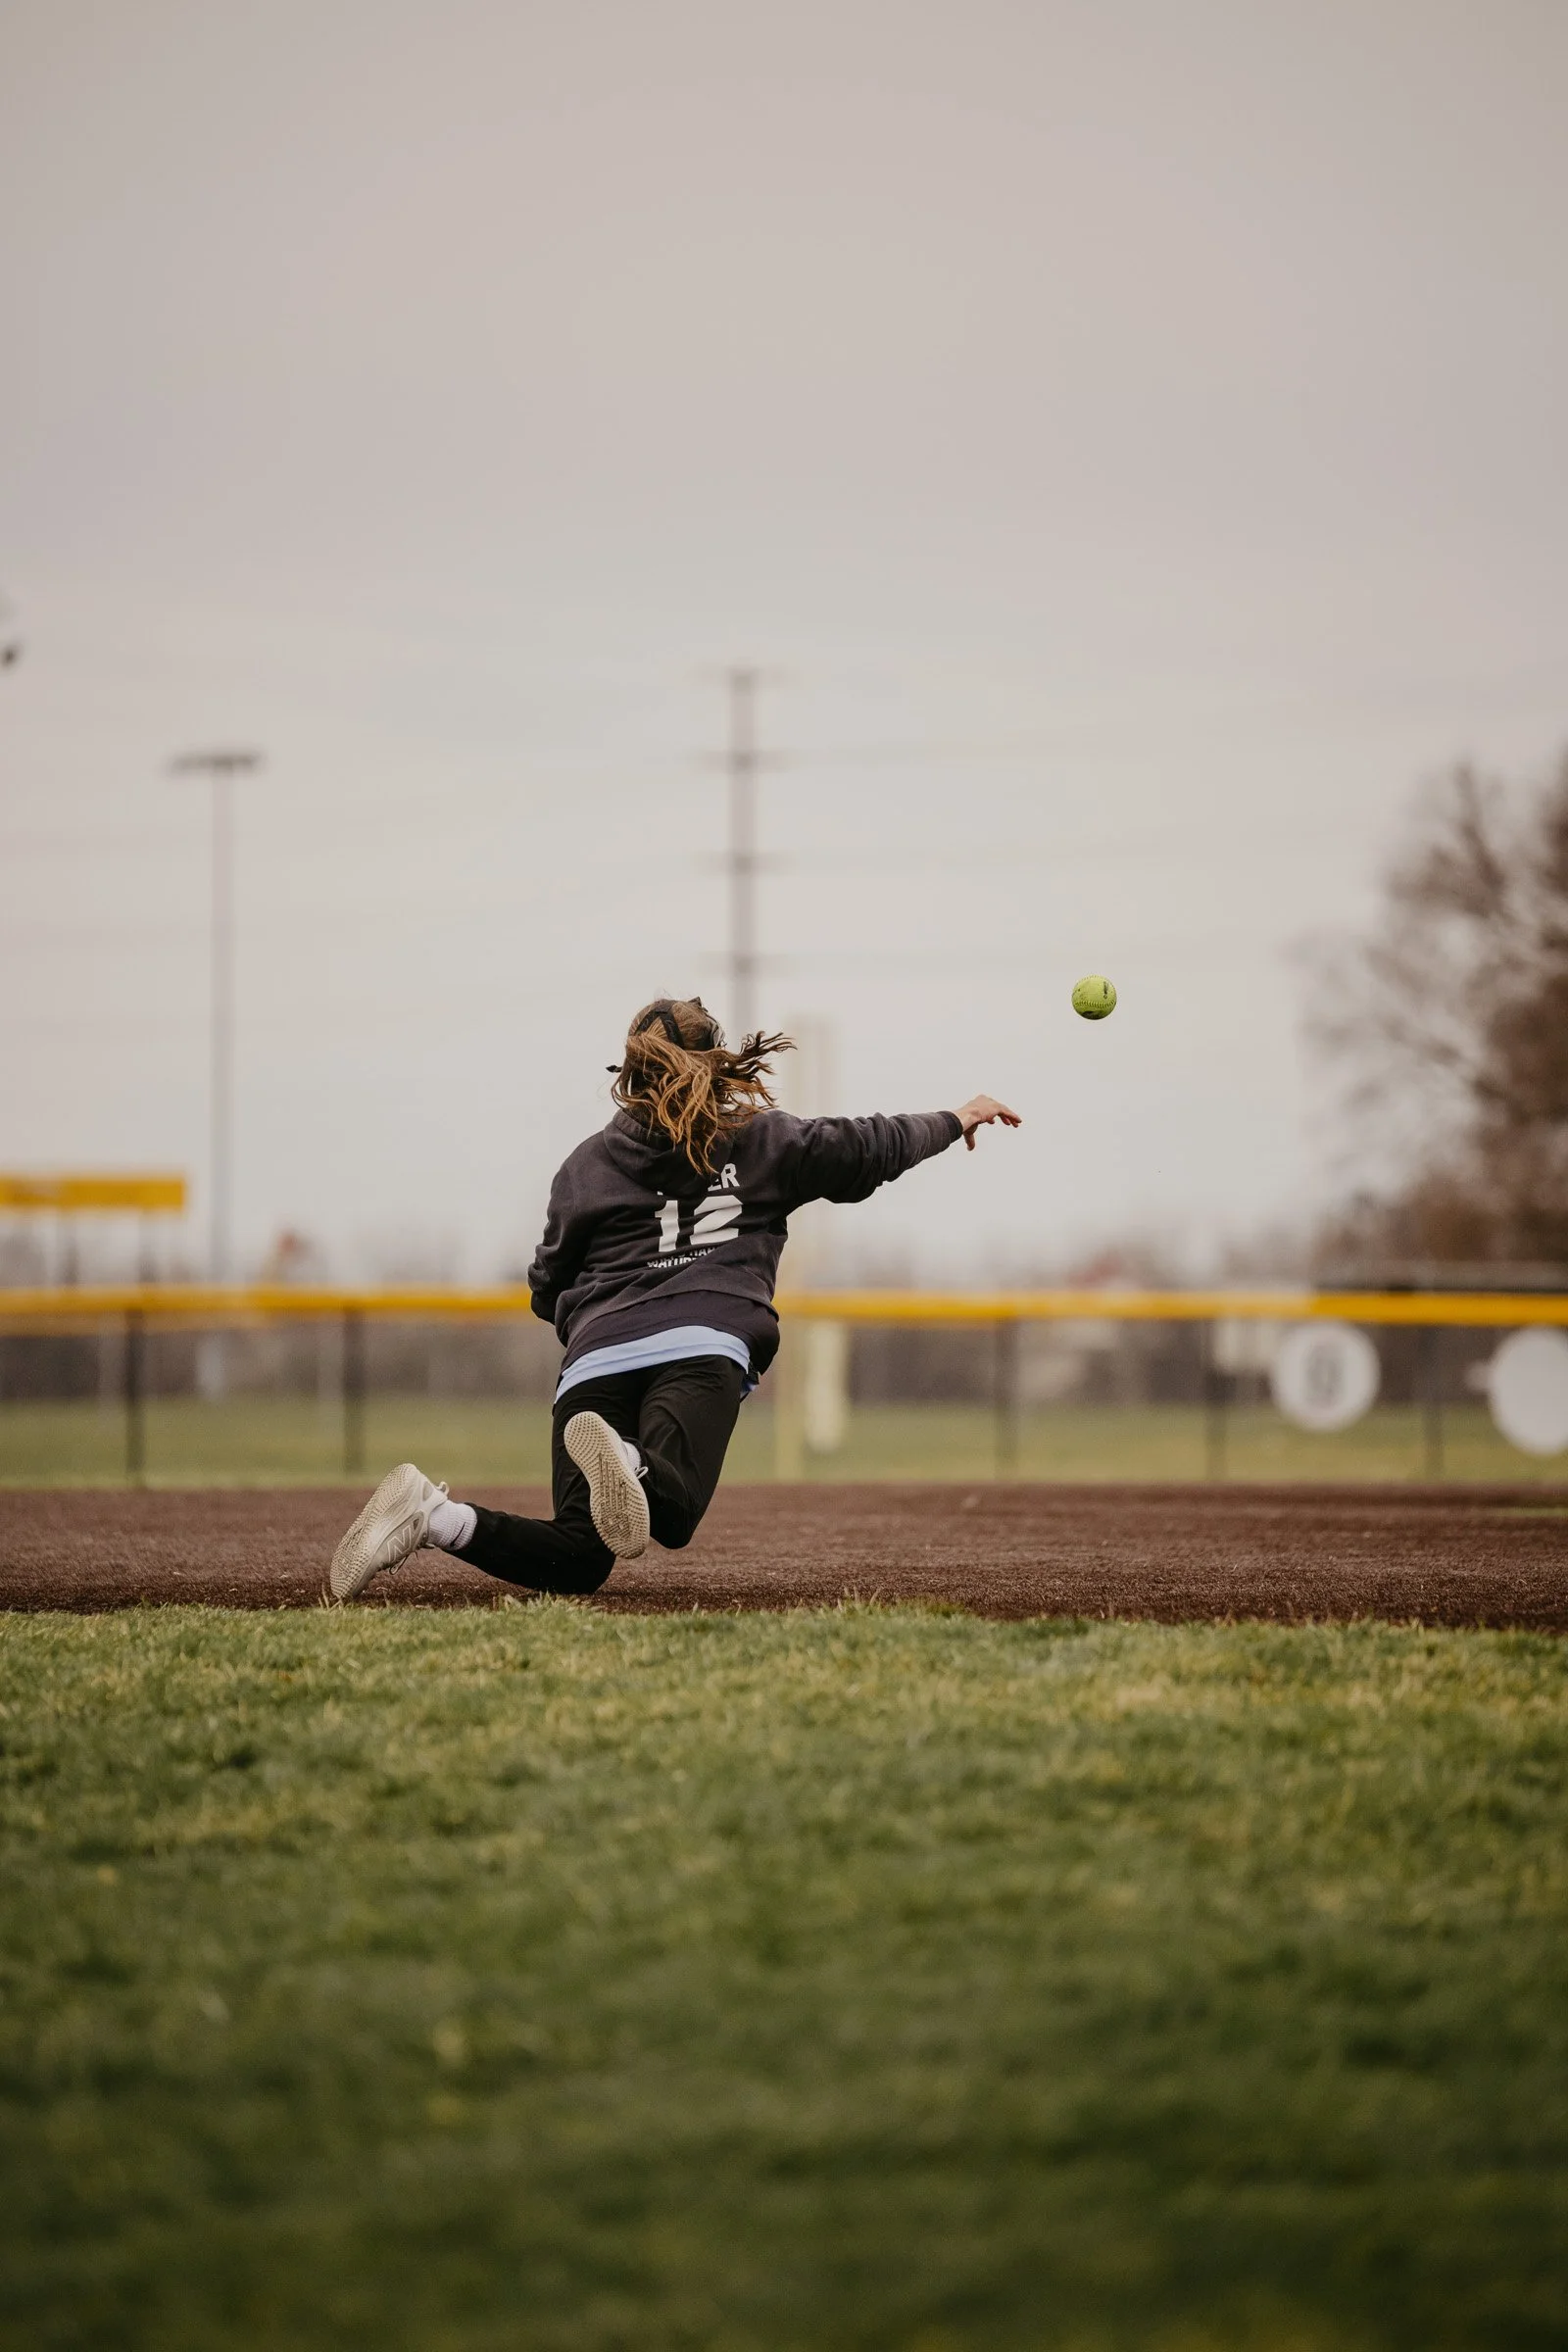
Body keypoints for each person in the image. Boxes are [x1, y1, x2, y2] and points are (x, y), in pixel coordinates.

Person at [328, 997, 1020, 1601]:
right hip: (701, 1346)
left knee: (578, 1557)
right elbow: (870, 1145)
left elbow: (547, 1285)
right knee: (673, 1513)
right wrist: (956, 1116)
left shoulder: (586, 1166)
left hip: (595, 1362)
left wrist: (595, 1319)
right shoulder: (762, 1142)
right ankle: (628, 1460)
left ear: (629, 1070)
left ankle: (431, 1515)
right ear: (716, 1065)